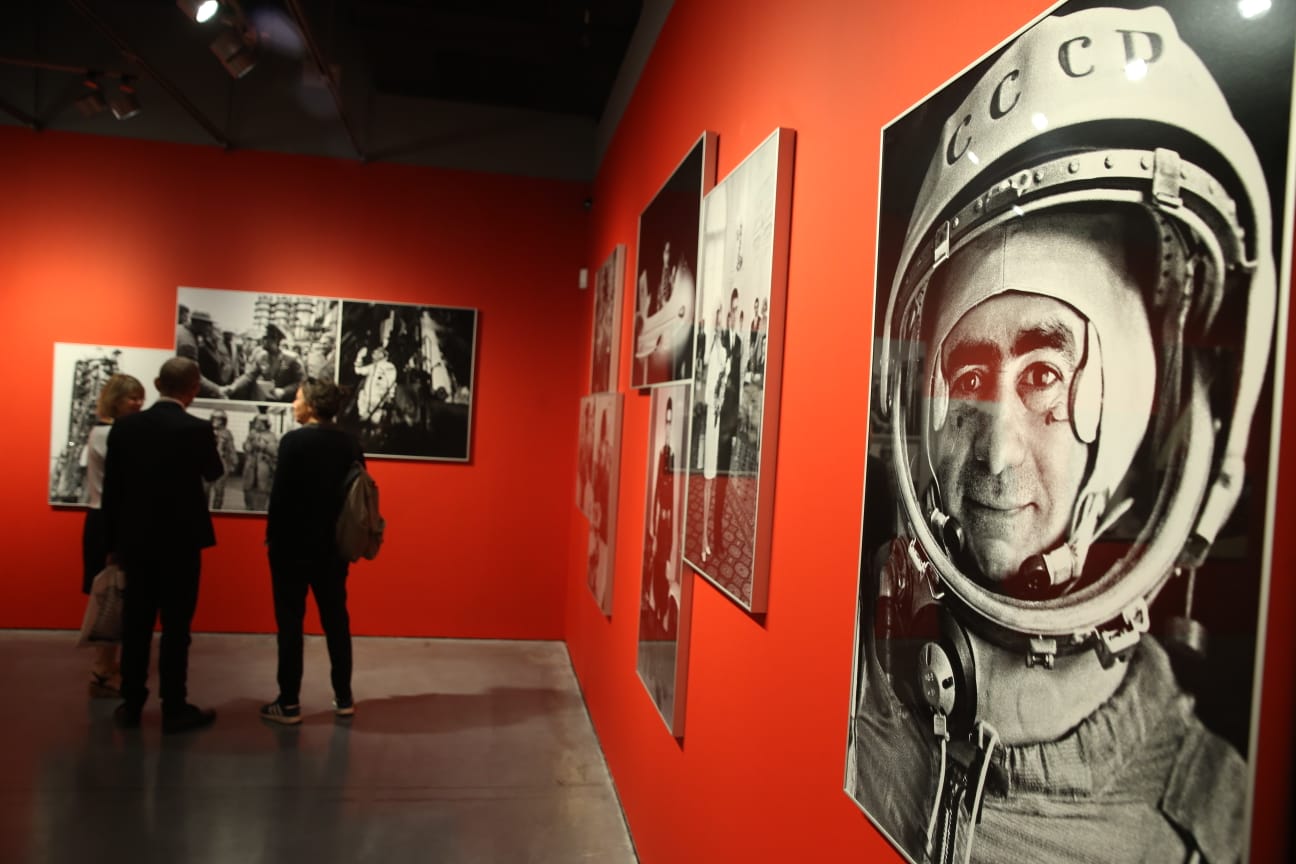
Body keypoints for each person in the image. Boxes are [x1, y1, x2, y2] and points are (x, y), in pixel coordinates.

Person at [847, 6, 1278, 863]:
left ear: (1149, 424)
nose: (997, 456)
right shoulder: (864, 691)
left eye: (1047, 376)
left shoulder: (1212, 828)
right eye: (967, 381)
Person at [101, 357, 224, 733]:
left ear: (156, 383)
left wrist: (112, 544)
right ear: (194, 389)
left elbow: (113, 493)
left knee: (137, 623)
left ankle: (132, 703)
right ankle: (174, 706)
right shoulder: (197, 429)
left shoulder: (125, 428)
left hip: (137, 541)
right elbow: (214, 472)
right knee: (176, 627)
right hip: (181, 542)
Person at [260, 378, 364, 724]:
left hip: (292, 546)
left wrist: (272, 538)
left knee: (290, 624)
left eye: (298, 397)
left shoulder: (293, 441)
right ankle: (345, 697)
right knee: (336, 620)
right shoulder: (349, 442)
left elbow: (281, 497)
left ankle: (289, 702)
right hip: (332, 547)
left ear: (313, 405)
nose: (293, 403)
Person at [80, 373, 145, 698]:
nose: (138, 403)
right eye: (131, 397)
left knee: (113, 592)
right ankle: (103, 668)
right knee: (113, 594)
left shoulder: (102, 431)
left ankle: (106, 664)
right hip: (109, 519)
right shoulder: (111, 434)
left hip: (103, 516)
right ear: (116, 399)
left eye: (140, 397)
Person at [222, 323, 305, 402]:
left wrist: (284, 391)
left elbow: (302, 382)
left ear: (275, 340)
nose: (262, 340)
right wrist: (233, 387)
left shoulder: (292, 358)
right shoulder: (261, 357)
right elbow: (248, 376)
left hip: (286, 402)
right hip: (266, 400)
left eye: (266, 338)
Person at [242, 413, 278, 511]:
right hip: (251, 464)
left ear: (266, 424)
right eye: (256, 422)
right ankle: (249, 507)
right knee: (247, 487)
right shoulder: (252, 434)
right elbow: (246, 447)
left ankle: (260, 509)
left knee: (263, 488)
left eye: (260, 422)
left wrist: (263, 446)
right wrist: (248, 444)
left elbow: (274, 451)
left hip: (264, 464)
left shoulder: (271, 436)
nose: (258, 424)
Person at [354, 345, 398, 424]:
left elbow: (391, 383)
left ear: (382, 354)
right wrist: (359, 356)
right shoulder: (372, 367)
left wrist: (390, 396)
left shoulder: (389, 367)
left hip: (378, 404)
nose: (373, 353)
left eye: (376, 352)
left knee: (376, 426)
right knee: (363, 426)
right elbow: (358, 370)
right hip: (366, 403)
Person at [207, 409, 238, 510]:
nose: (216, 421)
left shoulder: (227, 433)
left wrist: (234, 462)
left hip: (222, 462)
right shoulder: (205, 430)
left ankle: (217, 511)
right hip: (207, 462)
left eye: (219, 419)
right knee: (205, 490)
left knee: (219, 490)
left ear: (224, 420)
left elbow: (231, 448)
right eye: (214, 418)